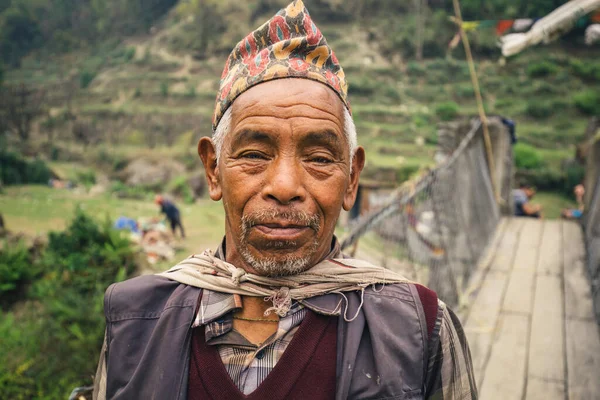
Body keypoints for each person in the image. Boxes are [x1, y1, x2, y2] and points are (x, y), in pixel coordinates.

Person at [93, 2, 476, 399]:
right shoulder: (134, 323)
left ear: (352, 179)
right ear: (213, 169)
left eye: (320, 159)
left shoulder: (420, 329)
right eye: (255, 155)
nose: (285, 185)